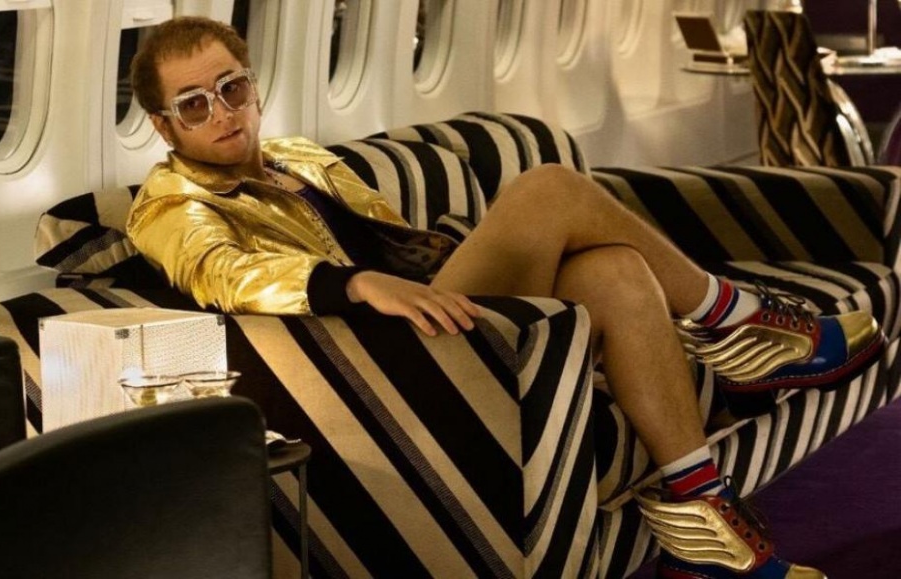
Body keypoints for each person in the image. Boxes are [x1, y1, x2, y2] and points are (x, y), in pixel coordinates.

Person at [126, 17, 881, 579]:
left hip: (433, 302)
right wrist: (353, 282)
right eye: (193, 105)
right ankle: (740, 320)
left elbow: (394, 238)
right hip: (380, 349)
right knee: (548, 187)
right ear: (163, 125)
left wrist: (443, 256)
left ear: (254, 87)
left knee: (616, 269)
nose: (222, 112)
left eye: (232, 88)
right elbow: (224, 272)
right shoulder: (168, 204)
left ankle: (704, 525)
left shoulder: (298, 158)